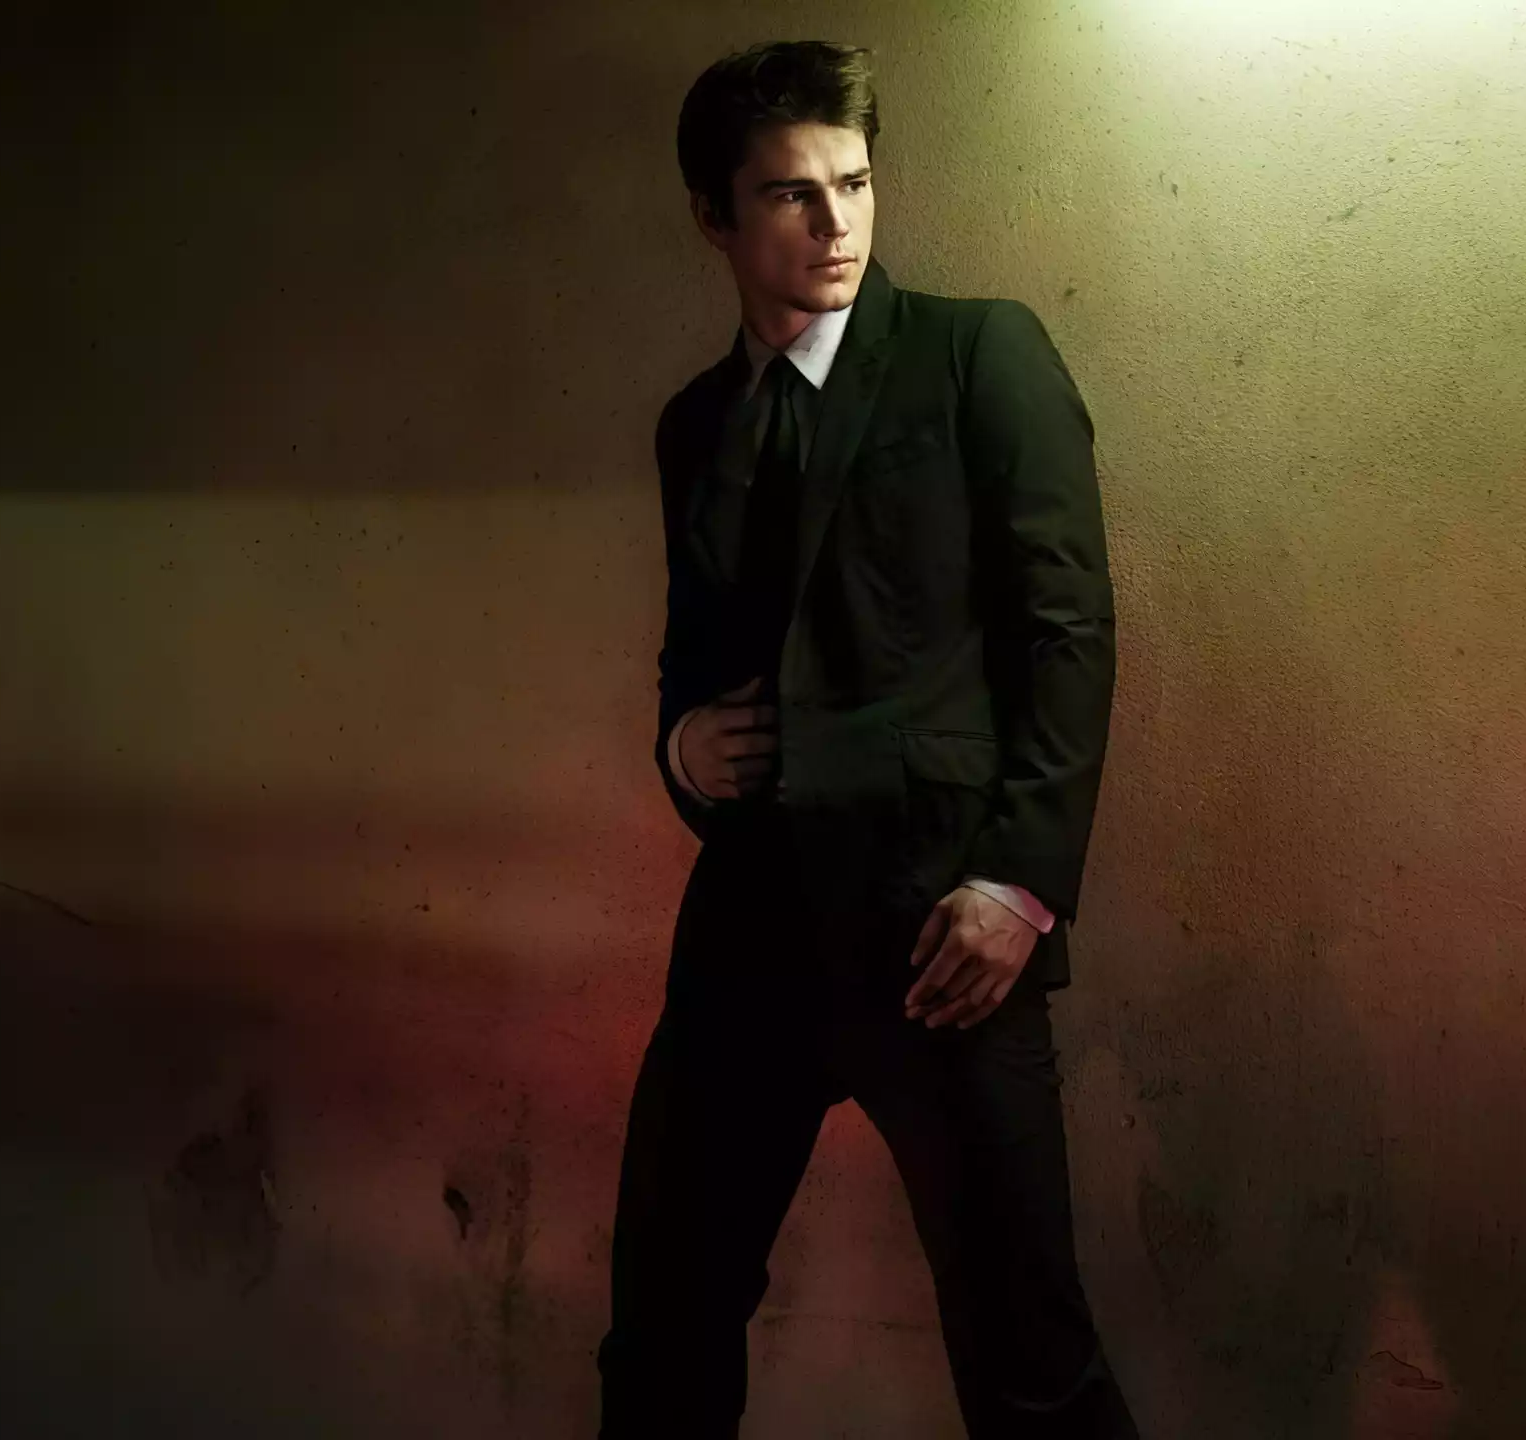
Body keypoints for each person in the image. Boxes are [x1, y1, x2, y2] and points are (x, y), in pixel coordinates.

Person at [596, 39, 1136, 1439]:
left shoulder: (976, 355)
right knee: (660, 1340)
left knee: (1030, 1360)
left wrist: (1020, 884)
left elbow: (1067, 633)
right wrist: (681, 750)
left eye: (854, 183)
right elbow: (692, 660)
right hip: (749, 940)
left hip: (936, 938)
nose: (836, 223)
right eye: (792, 193)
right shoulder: (696, 424)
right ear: (714, 217)